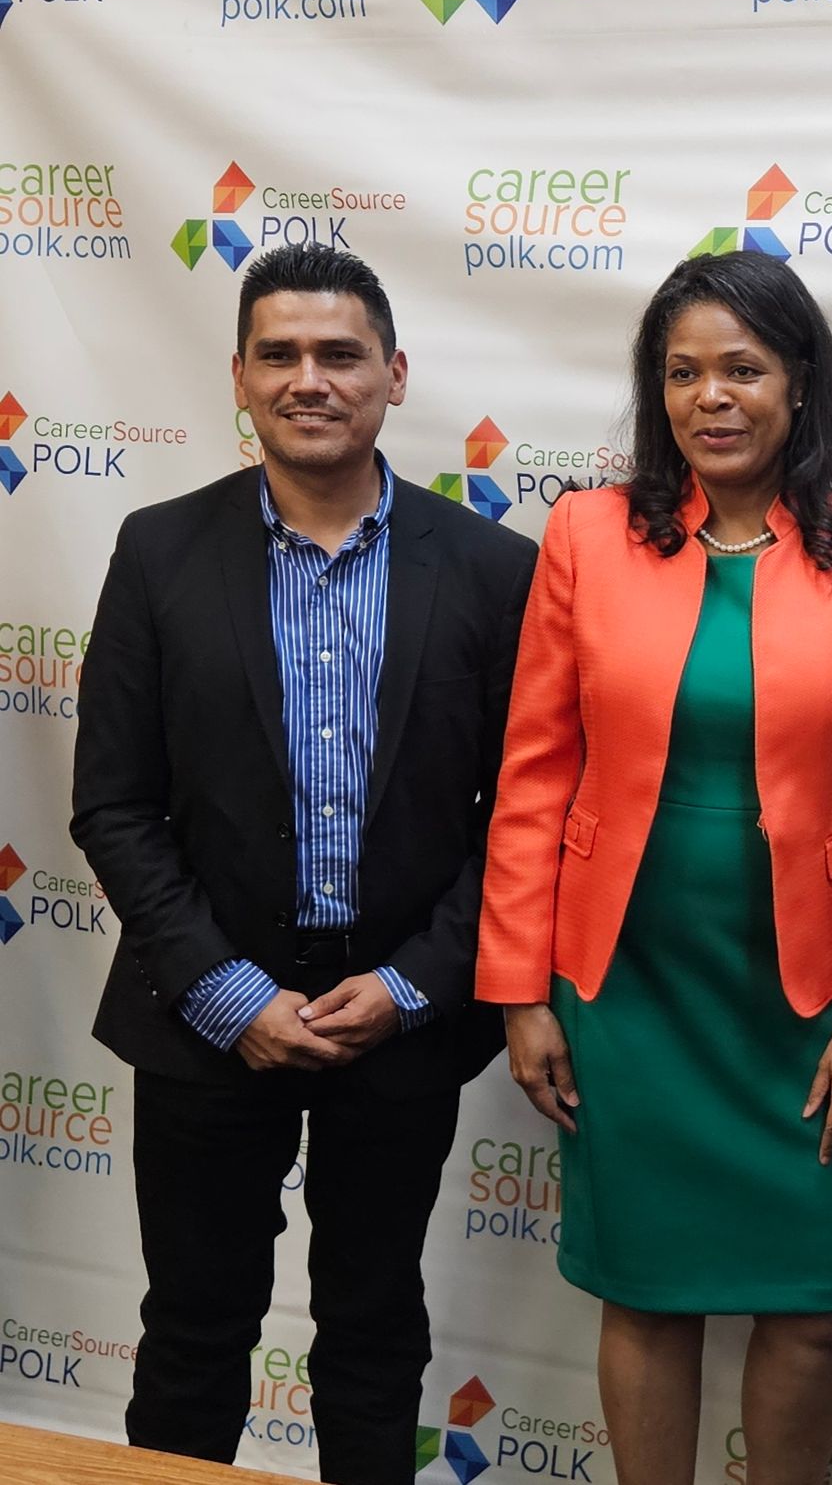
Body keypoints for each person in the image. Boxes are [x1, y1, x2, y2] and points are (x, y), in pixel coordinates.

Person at [69, 244, 537, 1485]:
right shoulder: (159, 550)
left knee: (375, 1332)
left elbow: (524, 812)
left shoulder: (494, 569)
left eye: (340, 354)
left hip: (404, 1019)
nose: (310, 379)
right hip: (204, 1018)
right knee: (194, 1334)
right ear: (238, 374)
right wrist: (233, 997)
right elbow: (112, 806)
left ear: (393, 373)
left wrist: (415, 982)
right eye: (279, 353)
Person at [475, 251, 832, 1485]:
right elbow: (533, 773)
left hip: (808, 998)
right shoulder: (584, 532)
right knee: (646, 1289)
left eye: (743, 367)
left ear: (800, 383)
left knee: (811, 1303)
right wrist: (523, 987)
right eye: (682, 372)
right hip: (625, 981)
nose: (712, 396)